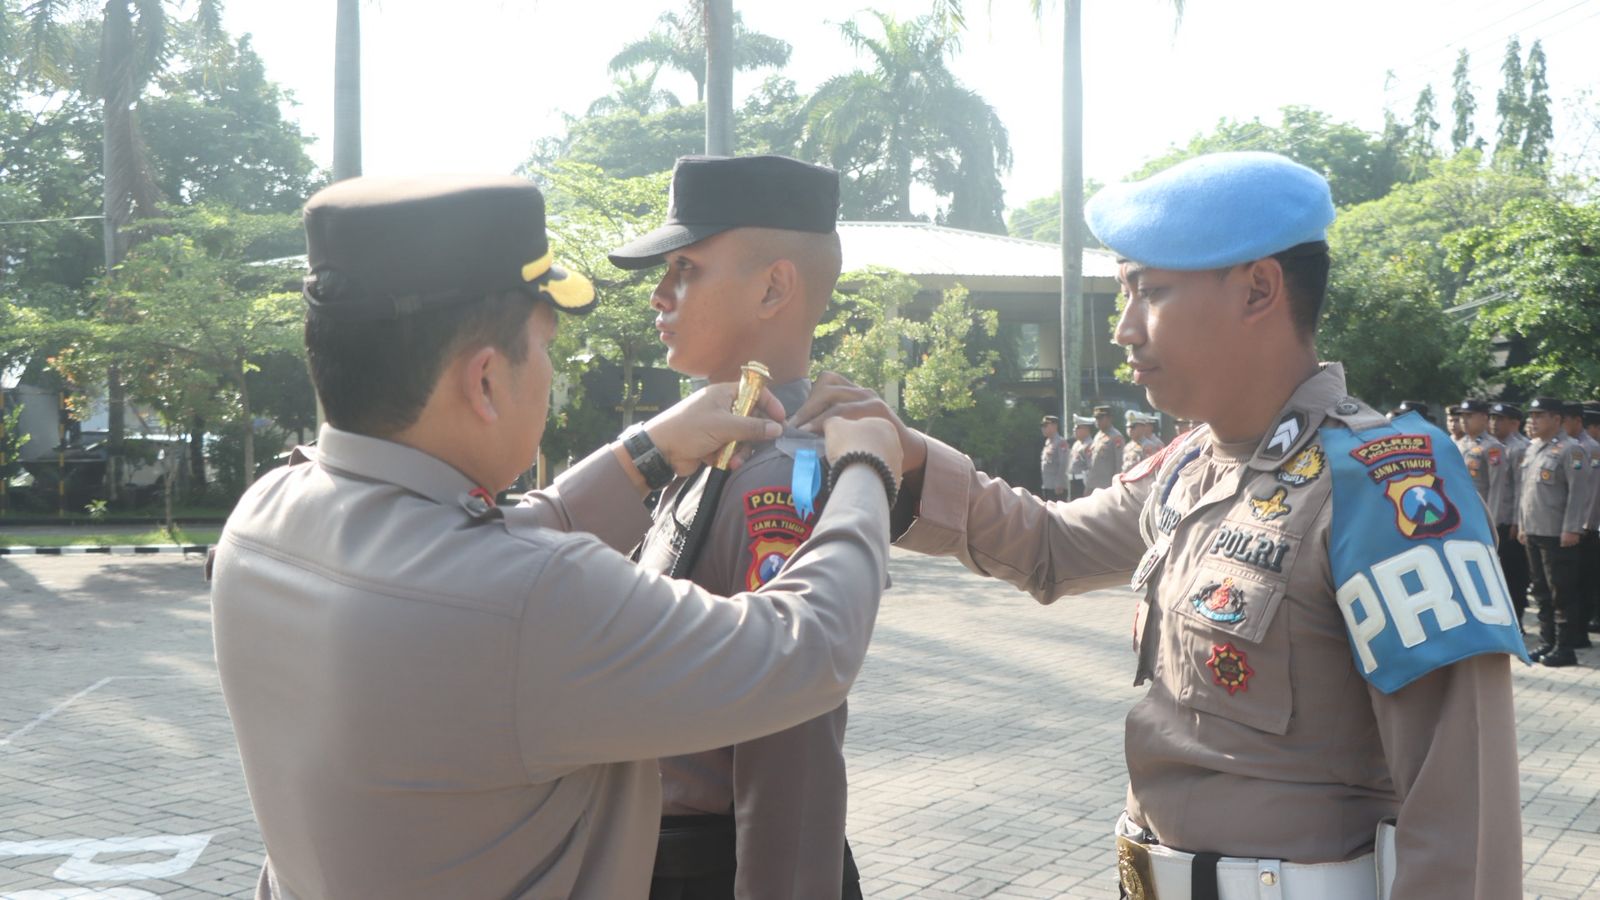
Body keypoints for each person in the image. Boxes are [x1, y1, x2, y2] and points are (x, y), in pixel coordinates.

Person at [793, 151, 1526, 899]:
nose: (1124, 329)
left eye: (1148, 292)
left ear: (1259, 289)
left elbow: (1461, 804)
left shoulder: (1381, 479)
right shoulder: (1192, 465)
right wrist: (906, 457)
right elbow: (1052, 546)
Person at [209, 174, 904, 900]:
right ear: (484, 381)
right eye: (544, 350)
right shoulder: (533, 597)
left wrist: (644, 453)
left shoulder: (263, 519)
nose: (551, 374)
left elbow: (483, 538)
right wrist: (865, 469)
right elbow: (807, 650)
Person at [608, 155, 865, 900]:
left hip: (720, 870)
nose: (658, 294)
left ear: (774, 287)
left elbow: (791, 752)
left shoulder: (774, 476)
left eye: (685, 268)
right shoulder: (703, 448)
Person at [1518, 397, 1588, 667]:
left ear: (1557, 419)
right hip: (1534, 529)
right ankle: (1547, 641)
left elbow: (1578, 493)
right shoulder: (1533, 448)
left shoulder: (1572, 450)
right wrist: (1522, 525)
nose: (1533, 420)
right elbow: (1526, 491)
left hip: (1557, 532)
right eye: (1532, 415)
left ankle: (1565, 647)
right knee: (1540, 590)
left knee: (1562, 590)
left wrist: (1572, 528)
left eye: (1540, 415)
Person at [1490, 401, 1532, 627]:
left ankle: (1517, 619)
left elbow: (1520, 488)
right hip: (1495, 518)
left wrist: (1517, 521)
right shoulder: (1491, 446)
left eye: (1499, 419)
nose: (1494, 423)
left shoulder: (1520, 448)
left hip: (1510, 523)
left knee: (1514, 574)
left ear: (1514, 423)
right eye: (1492, 418)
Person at [1456, 399, 1508, 514]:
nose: (1463, 421)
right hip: (1459, 510)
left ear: (1484, 418)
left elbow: (1496, 487)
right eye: (1461, 416)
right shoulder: (1458, 444)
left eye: (1469, 416)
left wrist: (1492, 519)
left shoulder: (1492, 446)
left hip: (1479, 511)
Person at [1085, 404, 1124, 492]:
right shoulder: (1097, 435)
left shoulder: (1116, 436)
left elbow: (1119, 463)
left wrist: (1117, 485)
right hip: (1093, 483)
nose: (1097, 421)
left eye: (1100, 418)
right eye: (1096, 418)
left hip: (1106, 486)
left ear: (1109, 418)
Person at [1040, 414, 1071, 501]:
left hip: (1057, 487)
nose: (1043, 428)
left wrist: (1059, 483)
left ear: (1054, 426)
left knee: (1057, 513)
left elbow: (1063, 463)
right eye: (1042, 426)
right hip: (1047, 485)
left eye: (1045, 425)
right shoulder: (1048, 442)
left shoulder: (1061, 442)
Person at [1067, 414, 1095, 500]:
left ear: (1086, 429)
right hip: (1073, 481)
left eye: (1077, 427)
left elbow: (1092, 468)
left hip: (1083, 482)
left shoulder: (1090, 445)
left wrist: (1089, 487)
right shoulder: (1076, 444)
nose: (1074, 429)